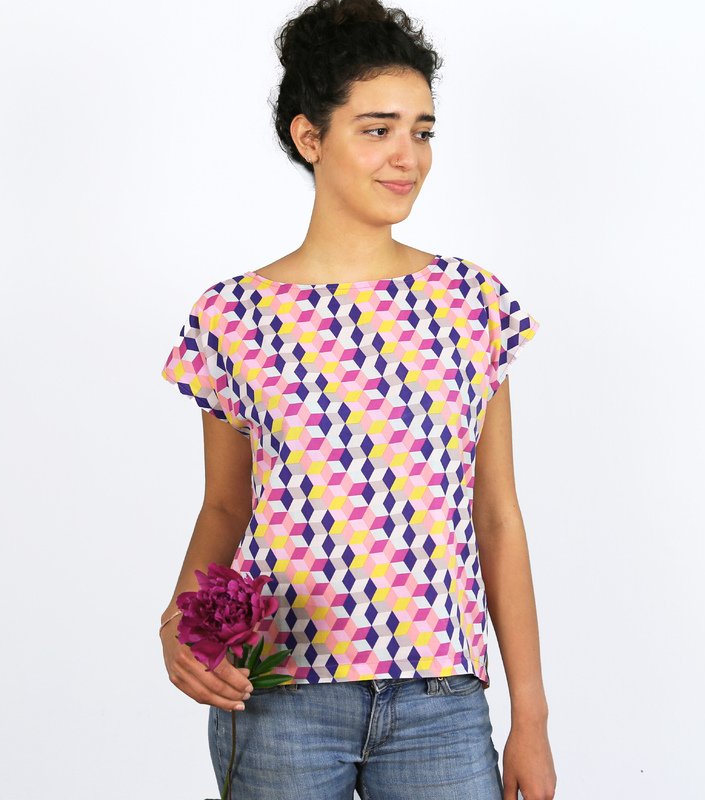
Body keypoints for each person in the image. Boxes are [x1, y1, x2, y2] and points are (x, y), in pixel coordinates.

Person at [158, 1, 556, 798]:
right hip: (276, 696)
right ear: (311, 137)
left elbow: (496, 514)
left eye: (422, 130)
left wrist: (532, 718)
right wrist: (178, 620)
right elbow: (226, 507)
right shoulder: (233, 316)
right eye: (377, 129)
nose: (408, 156)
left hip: (441, 701)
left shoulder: (470, 303)